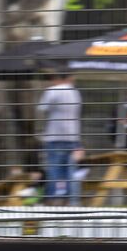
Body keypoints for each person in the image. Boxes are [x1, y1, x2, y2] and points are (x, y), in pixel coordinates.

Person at [36, 72, 83, 205]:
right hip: (73, 136)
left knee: (54, 170)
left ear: (55, 78)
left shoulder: (53, 91)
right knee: (72, 172)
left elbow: (42, 108)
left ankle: (54, 200)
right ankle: (73, 202)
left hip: (55, 136)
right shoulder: (75, 92)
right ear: (70, 78)